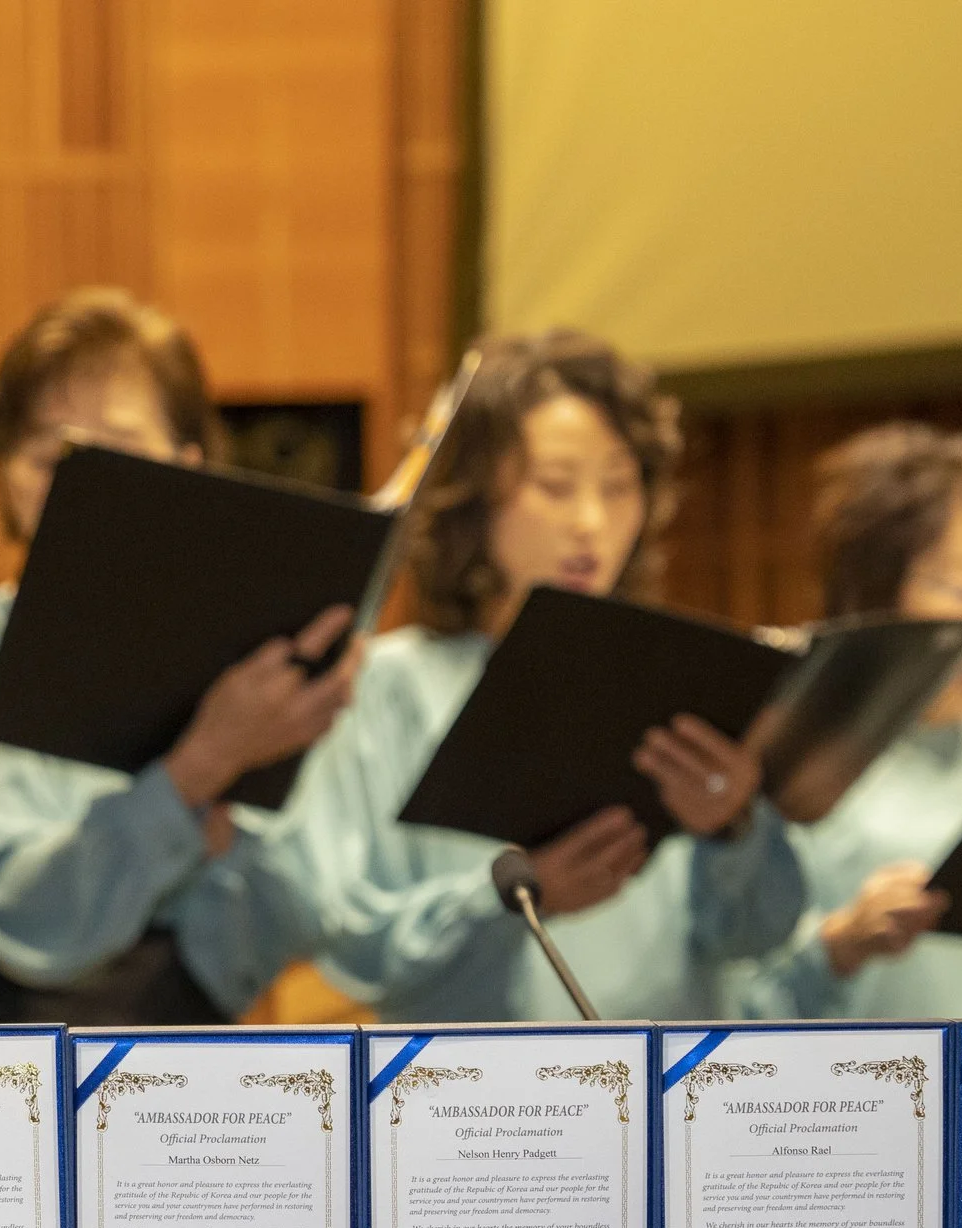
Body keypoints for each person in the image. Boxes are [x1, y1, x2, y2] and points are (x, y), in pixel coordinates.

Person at [289, 329, 803, 1021]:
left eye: (620, 487)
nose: (592, 522)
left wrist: (734, 831)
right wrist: (512, 896)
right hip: (477, 1109)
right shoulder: (386, 688)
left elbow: (757, 935)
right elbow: (346, 938)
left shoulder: (678, 678)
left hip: (660, 1095)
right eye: (556, 487)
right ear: (476, 499)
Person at [0, 287, 354, 1024]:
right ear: (4, 477)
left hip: (195, 1070)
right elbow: (23, 920)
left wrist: (236, 836)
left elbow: (297, 920)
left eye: (122, 454)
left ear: (189, 467)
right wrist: (196, 772)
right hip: (6, 1070)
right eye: (53, 458)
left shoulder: (253, 665)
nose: (89, 489)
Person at [728, 423, 962, 1019]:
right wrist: (839, 945)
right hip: (860, 1098)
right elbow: (719, 993)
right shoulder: (792, 762)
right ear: (874, 592)